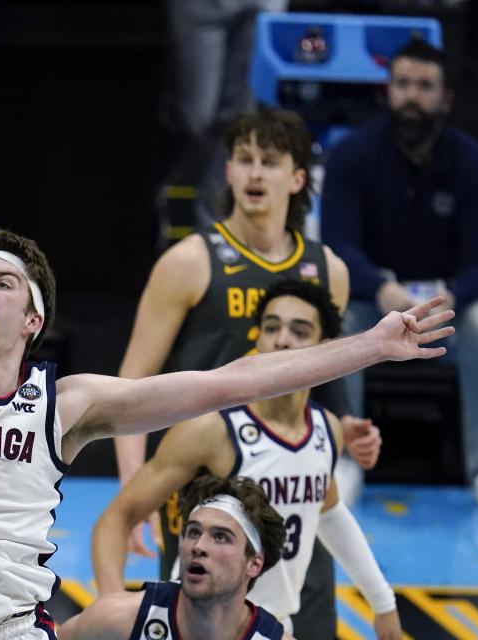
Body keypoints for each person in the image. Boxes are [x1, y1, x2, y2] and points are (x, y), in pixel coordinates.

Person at [0, 90, 451, 640]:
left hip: (13, 632)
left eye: (2, 282)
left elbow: (228, 382)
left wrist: (373, 344)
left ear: (34, 321)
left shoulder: (68, 405)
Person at [114, 107, 378, 637]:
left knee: (307, 622)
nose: (255, 173)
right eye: (244, 160)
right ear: (229, 172)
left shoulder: (330, 271)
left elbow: (320, 378)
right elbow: (129, 390)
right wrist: (134, 496)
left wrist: (343, 429)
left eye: (270, 161)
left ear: (299, 178)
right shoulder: (189, 261)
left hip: (295, 486)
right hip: (207, 481)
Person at [93, 281, 402, 638]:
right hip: (198, 626)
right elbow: (117, 517)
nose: (282, 340)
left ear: (325, 348)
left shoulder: (326, 429)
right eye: (272, 327)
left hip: (273, 627)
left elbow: (329, 512)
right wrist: (113, 606)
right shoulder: (212, 429)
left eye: (299, 331)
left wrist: (383, 603)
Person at [321, 38, 478, 518]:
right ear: (387, 92)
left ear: (445, 99)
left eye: (425, 87)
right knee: (338, 318)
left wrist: (455, 295)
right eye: (403, 84)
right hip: (373, 297)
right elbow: (335, 245)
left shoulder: (473, 164)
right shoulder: (352, 156)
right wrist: (380, 288)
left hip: (447, 304)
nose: (412, 96)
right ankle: (345, 458)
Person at [59, 475, 292, 640]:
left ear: (254, 564)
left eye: (221, 537)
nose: (199, 546)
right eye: (193, 532)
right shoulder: (117, 620)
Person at [154, 0, 288, 237]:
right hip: (203, 7)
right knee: (197, 118)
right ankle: (168, 207)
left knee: (242, 118)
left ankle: (212, 227)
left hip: (262, 5)